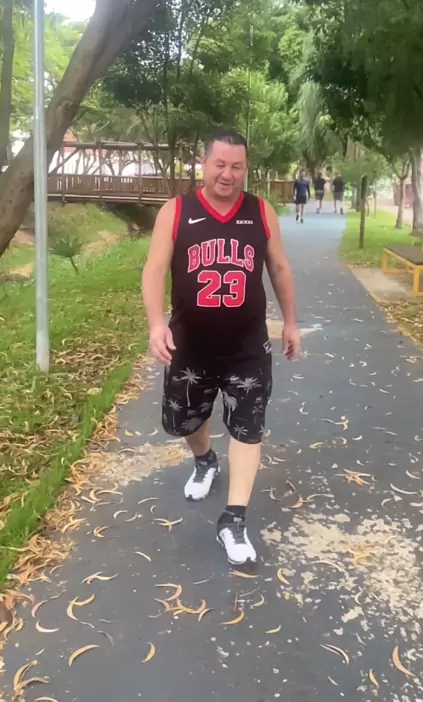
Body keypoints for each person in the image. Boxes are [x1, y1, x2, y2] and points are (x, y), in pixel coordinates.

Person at [142, 129, 300, 569]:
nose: (227, 174)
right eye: (220, 164)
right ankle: (205, 459)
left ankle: (233, 519)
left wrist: (290, 322)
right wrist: (155, 324)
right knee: (182, 421)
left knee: (248, 429)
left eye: (237, 166)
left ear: (245, 168)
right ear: (204, 163)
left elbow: (279, 268)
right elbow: (154, 268)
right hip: (189, 346)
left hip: (247, 347)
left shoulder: (260, 212)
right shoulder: (176, 211)